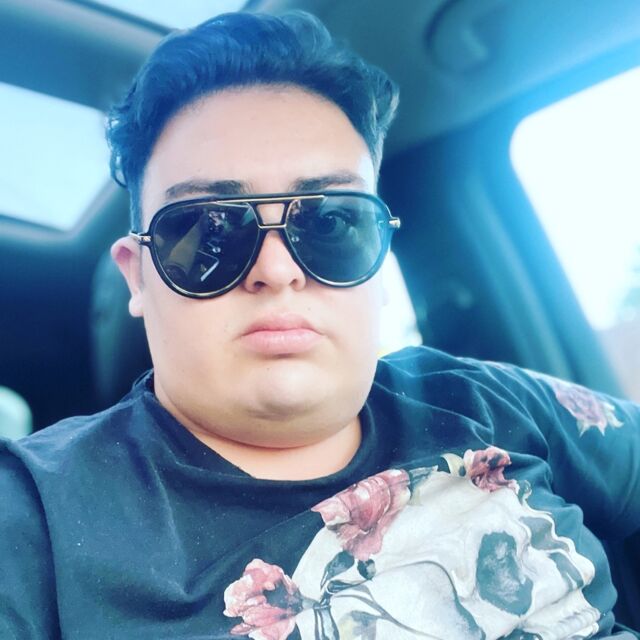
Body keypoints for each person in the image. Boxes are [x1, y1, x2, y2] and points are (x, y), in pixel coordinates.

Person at [0, 11, 638, 640]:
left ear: (379, 255)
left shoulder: (488, 398)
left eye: (331, 221)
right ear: (137, 277)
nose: (276, 270)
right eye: (208, 230)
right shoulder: (32, 520)